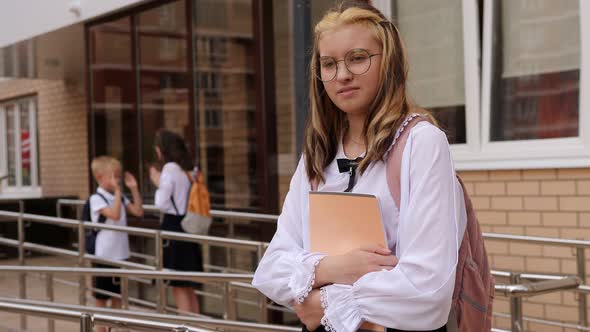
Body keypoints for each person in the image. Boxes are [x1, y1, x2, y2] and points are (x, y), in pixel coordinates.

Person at [252, 1, 467, 331]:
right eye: (329, 64)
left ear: (389, 62)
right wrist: (336, 268)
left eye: (357, 58)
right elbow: (271, 270)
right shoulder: (318, 156)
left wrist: (323, 302)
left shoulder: (420, 143)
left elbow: (428, 289)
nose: (343, 75)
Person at [150, 129, 202, 314]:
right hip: (187, 225)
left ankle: (185, 327)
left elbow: (161, 203)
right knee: (188, 286)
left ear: (162, 149)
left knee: (178, 285)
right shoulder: (188, 169)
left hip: (173, 226)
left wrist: (157, 182)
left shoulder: (169, 169)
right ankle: (196, 327)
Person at [89, 156, 143, 332]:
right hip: (104, 255)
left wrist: (133, 189)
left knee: (118, 297)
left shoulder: (119, 196)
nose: (117, 180)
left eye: (118, 176)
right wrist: (119, 192)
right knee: (101, 298)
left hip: (121, 254)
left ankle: (115, 329)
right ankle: (101, 330)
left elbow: (138, 211)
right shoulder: (96, 199)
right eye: (113, 176)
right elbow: (115, 215)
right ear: (99, 177)